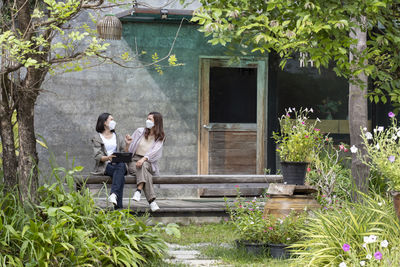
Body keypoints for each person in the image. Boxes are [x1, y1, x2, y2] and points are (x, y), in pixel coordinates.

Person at [126, 111, 165, 212]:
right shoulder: (139, 131)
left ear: (156, 122)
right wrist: (128, 144)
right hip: (134, 160)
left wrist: (143, 159)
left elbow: (155, 152)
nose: (147, 121)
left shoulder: (160, 137)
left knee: (142, 166)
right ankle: (152, 201)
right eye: (147, 118)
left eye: (150, 119)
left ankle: (138, 190)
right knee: (144, 172)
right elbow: (128, 151)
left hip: (148, 162)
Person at [92, 113, 128, 209]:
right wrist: (109, 158)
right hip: (105, 166)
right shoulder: (97, 137)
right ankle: (118, 208)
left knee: (120, 165)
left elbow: (124, 152)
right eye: (111, 119)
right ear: (104, 122)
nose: (113, 122)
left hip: (119, 164)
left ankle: (113, 195)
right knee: (120, 174)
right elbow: (97, 156)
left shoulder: (118, 136)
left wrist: (127, 144)